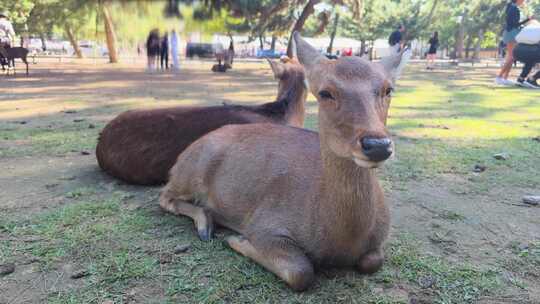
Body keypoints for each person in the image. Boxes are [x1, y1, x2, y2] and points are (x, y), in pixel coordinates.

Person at [496, 0, 532, 86]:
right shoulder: (514, 8)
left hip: (511, 33)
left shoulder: (512, 7)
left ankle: (504, 78)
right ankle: (499, 77)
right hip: (511, 33)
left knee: (511, 57)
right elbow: (514, 24)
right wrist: (528, 20)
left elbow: (513, 24)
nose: (523, 1)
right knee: (512, 57)